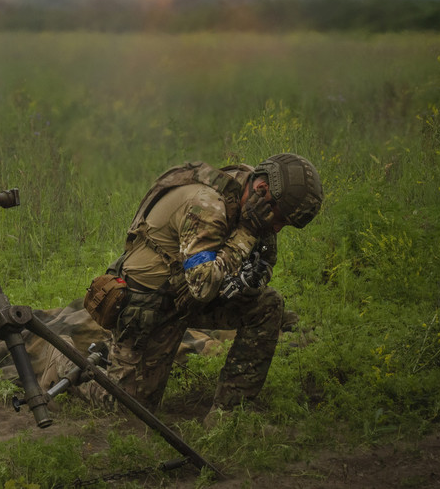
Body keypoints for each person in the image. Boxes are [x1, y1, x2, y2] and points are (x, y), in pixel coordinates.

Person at [79, 154, 322, 417]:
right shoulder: (207, 206)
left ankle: (228, 414)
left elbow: (265, 261)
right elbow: (203, 286)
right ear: (262, 190)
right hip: (151, 303)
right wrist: (247, 232)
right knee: (126, 410)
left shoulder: (252, 195)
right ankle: (59, 361)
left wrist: (252, 279)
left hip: (192, 293)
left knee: (268, 305)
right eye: (279, 219)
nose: (276, 228)